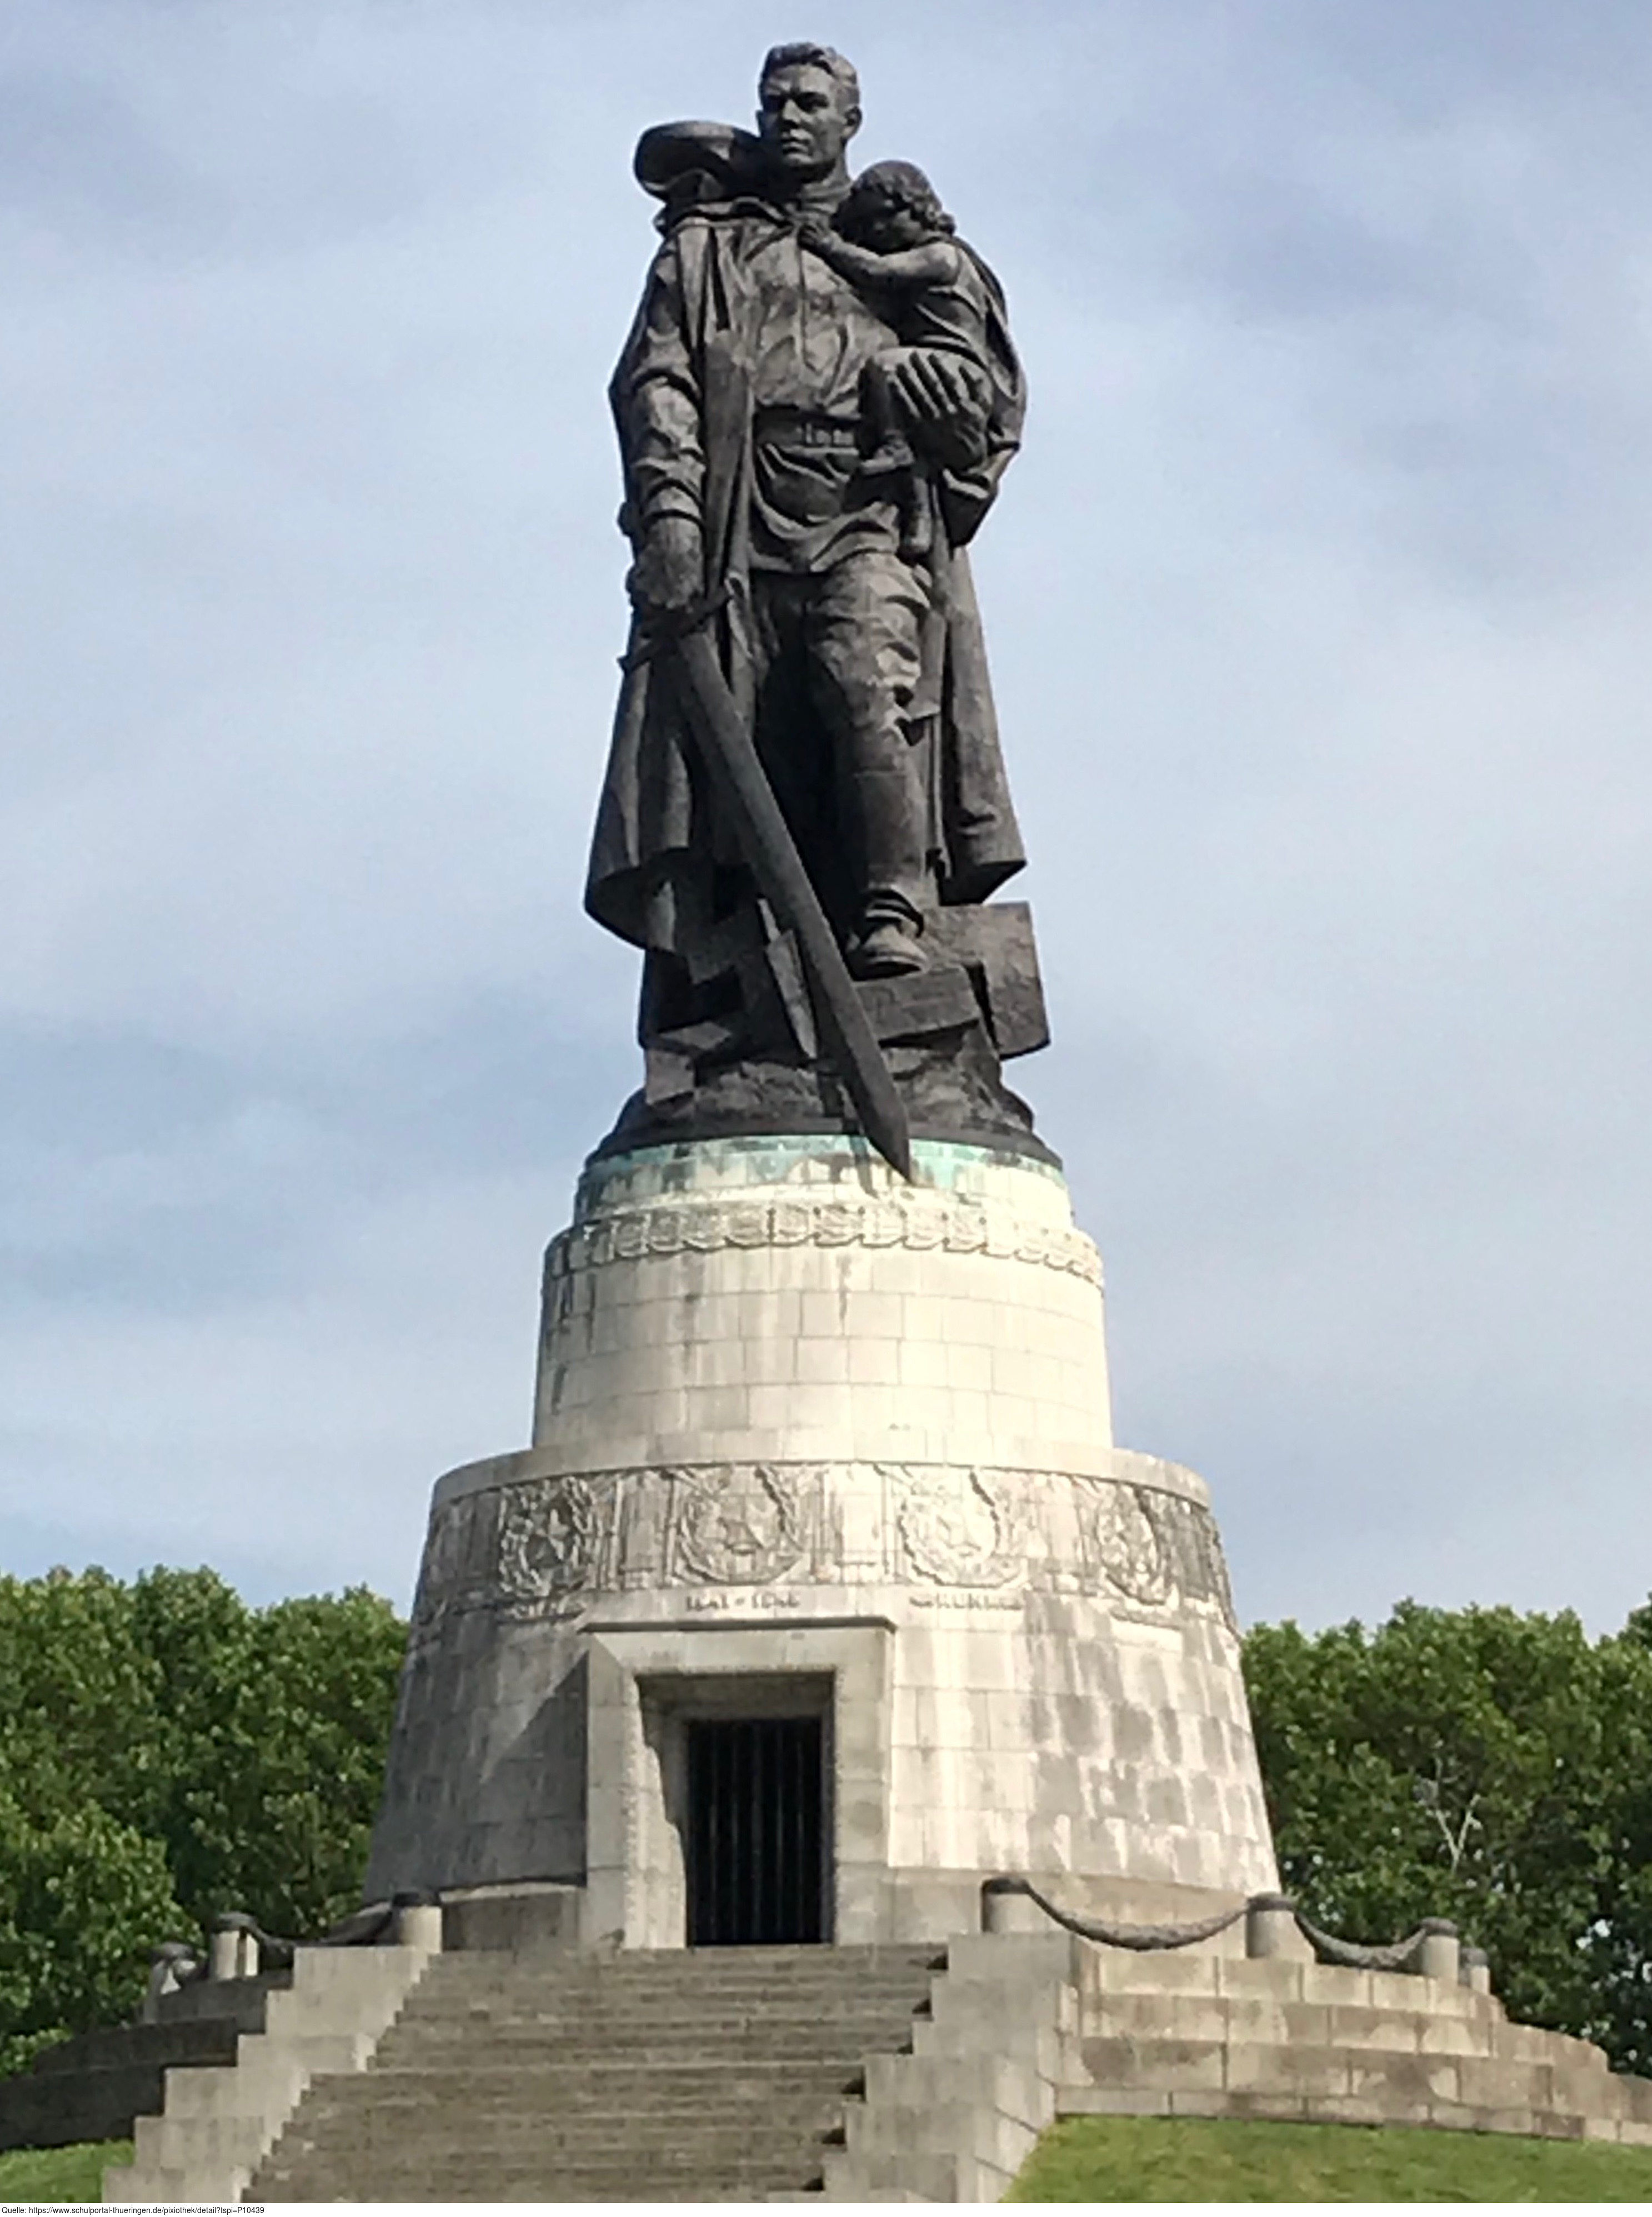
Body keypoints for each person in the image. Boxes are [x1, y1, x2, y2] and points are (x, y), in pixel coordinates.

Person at [587, 43, 1027, 1015]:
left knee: (864, 679)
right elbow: (657, 379)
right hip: (738, 514)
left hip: (868, 505)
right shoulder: (706, 248)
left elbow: (986, 396)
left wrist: (951, 417)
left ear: (848, 122)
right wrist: (670, 512)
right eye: (774, 103)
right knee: (755, 739)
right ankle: (764, 959)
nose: (788, 118)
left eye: (809, 103)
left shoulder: (899, 244)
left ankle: (892, 911)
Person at [797, 160, 996, 562]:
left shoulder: (941, 256)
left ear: (918, 209)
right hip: (937, 363)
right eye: (870, 222)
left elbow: (879, 271)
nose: (879, 230)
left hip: (954, 367)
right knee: (920, 450)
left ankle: (893, 443)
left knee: (884, 367)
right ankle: (919, 519)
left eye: (887, 217)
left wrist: (828, 245)